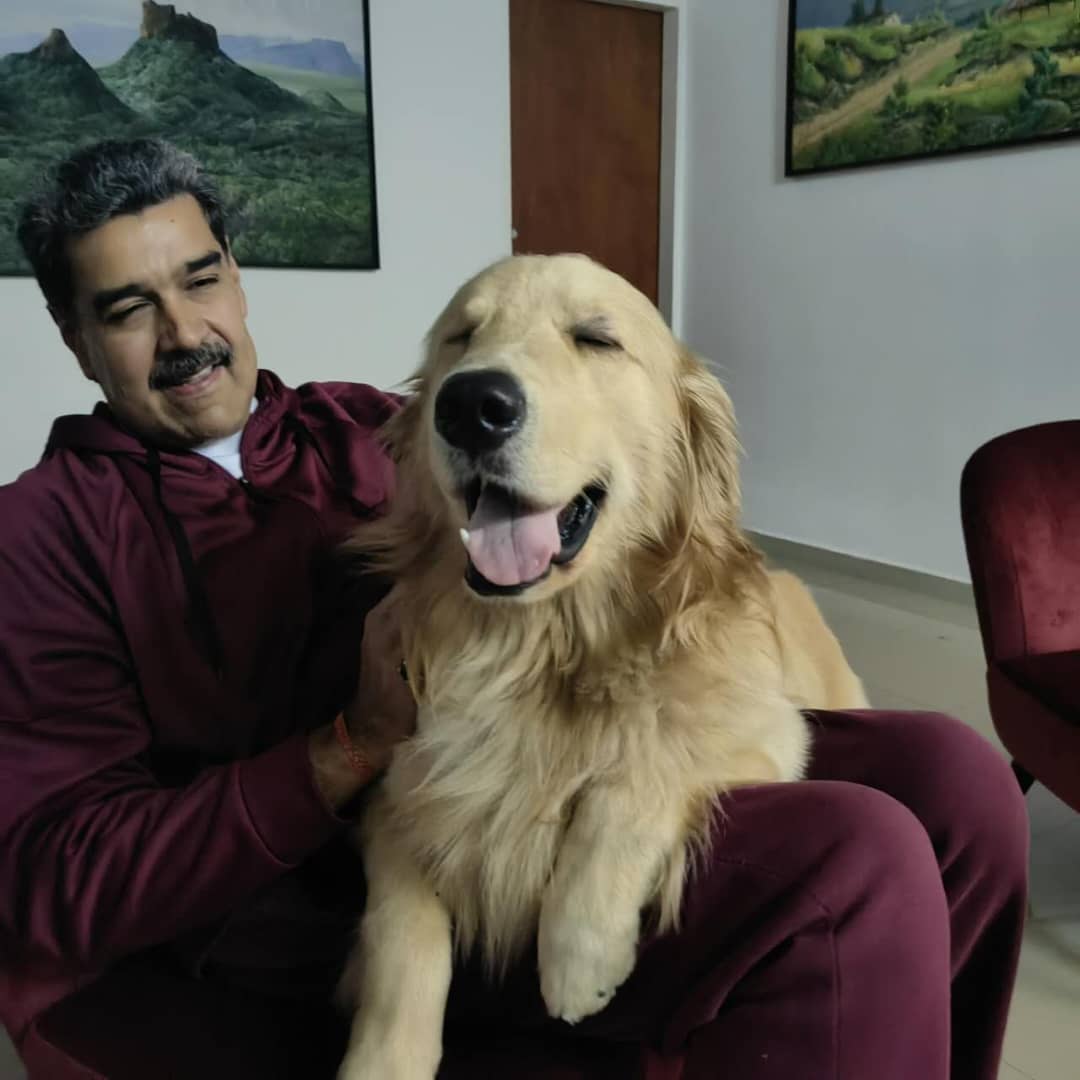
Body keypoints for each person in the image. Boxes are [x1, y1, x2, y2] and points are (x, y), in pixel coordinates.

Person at [0, 138, 1028, 1080]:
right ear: (75, 338)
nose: (186, 332)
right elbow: (56, 880)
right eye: (128, 309)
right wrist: (348, 748)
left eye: (200, 279)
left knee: (958, 779)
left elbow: (633, 542)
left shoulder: (364, 422)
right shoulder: (41, 533)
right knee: (856, 863)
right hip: (348, 892)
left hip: (544, 765)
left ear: (236, 274)